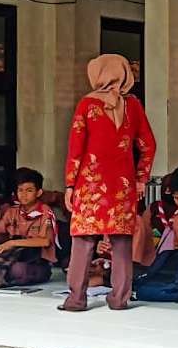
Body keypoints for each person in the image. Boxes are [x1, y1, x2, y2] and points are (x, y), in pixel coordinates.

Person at [62, 55, 157, 312]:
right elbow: (149, 145)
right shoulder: (133, 106)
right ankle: (119, 299)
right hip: (122, 186)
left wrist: (70, 185)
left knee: (83, 242)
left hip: (89, 186)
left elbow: (75, 150)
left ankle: (76, 299)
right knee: (121, 243)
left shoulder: (87, 105)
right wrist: (140, 180)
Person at [0, 167, 58, 287]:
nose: (24, 195)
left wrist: (12, 243)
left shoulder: (45, 212)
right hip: (15, 258)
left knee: (18, 270)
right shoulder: (12, 212)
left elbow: (45, 241)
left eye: (29, 190)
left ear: (38, 192)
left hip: (37, 263)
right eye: (20, 190)